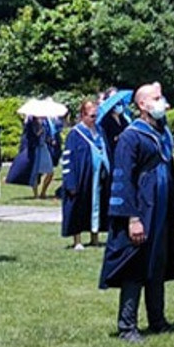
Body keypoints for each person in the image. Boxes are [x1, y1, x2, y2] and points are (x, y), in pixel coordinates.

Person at [99, 82, 174, 343]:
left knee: (157, 265)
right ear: (142, 105)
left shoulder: (161, 133)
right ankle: (127, 326)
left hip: (161, 212)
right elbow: (123, 179)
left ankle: (157, 320)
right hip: (141, 211)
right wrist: (132, 218)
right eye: (156, 98)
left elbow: (170, 174)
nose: (163, 103)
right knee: (135, 266)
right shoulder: (130, 136)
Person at [61, 100, 109, 249]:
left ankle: (95, 237)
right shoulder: (75, 134)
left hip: (97, 177)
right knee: (78, 207)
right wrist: (70, 182)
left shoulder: (100, 131)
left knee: (97, 206)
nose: (95, 119)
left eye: (96, 115)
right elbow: (68, 160)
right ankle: (78, 240)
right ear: (83, 115)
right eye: (92, 115)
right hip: (81, 178)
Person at [6, 116, 54, 199]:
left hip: (44, 147)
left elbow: (47, 135)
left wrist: (50, 139)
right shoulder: (30, 122)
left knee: (50, 172)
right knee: (35, 172)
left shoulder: (45, 122)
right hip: (34, 149)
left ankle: (43, 192)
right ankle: (36, 194)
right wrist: (39, 132)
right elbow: (30, 136)